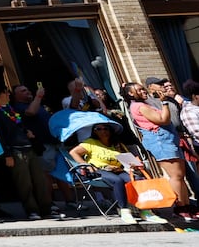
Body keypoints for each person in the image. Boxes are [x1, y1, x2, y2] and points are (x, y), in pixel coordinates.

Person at [129, 76, 195, 223]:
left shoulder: (146, 103)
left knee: (180, 176)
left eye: (142, 88)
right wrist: (164, 102)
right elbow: (163, 120)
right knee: (176, 176)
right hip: (160, 141)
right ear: (131, 94)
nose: (143, 91)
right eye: (139, 89)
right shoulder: (138, 106)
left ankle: (186, 206)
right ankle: (180, 208)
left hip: (168, 140)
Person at [0, 84, 54, 220]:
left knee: (40, 180)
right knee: (24, 183)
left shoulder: (11, 108)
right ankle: (32, 210)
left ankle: (46, 209)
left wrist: (27, 132)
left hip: (28, 147)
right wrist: (7, 155)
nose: (8, 95)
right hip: (15, 150)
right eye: (5, 93)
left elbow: (18, 124)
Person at [69, 121, 140, 223]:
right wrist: (87, 165)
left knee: (136, 179)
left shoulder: (116, 144)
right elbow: (73, 152)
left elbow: (125, 158)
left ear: (110, 130)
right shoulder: (90, 142)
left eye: (105, 128)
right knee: (117, 180)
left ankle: (144, 209)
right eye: (99, 129)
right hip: (98, 170)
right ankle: (124, 210)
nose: (103, 131)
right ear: (94, 131)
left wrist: (131, 164)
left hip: (117, 169)